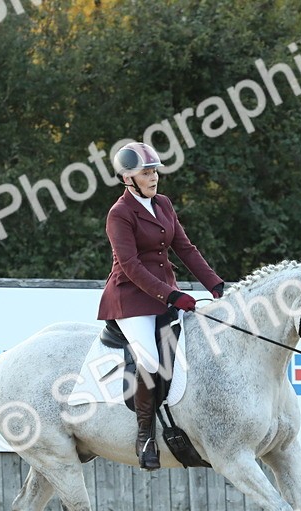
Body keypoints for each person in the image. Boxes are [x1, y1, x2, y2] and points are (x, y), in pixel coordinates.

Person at [96, 141, 225, 470]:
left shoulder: (164, 204)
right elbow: (131, 266)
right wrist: (170, 296)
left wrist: (216, 284)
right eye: (146, 172)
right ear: (128, 178)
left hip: (166, 292)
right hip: (130, 300)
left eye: (155, 171)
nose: (153, 177)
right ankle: (145, 436)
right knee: (151, 362)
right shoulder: (119, 214)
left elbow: (186, 248)